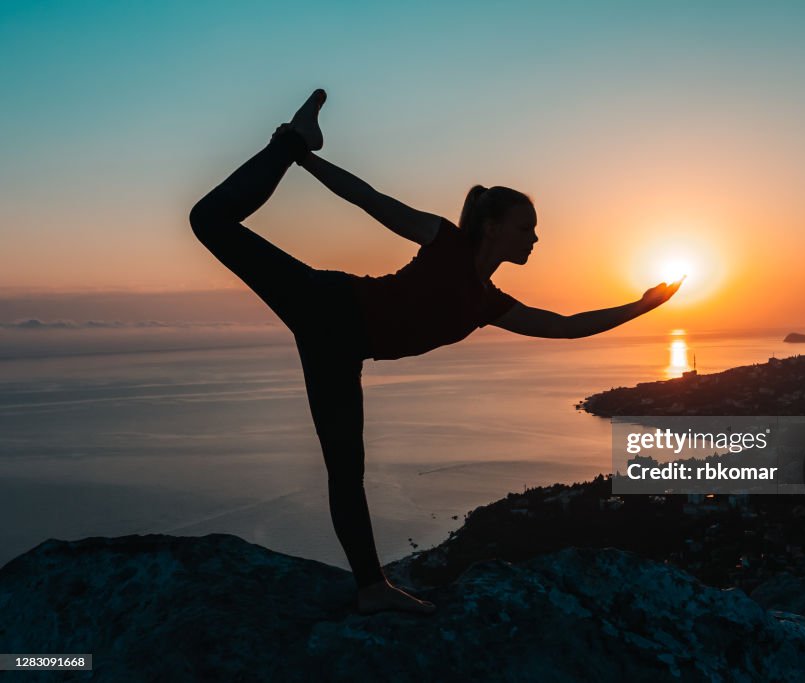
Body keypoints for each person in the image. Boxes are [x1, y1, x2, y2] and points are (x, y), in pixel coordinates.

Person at [189, 89, 681, 615]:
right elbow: (367, 198)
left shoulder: (487, 303)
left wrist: (642, 306)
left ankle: (372, 588)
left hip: (336, 348)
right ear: (493, 226)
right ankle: (292, 139)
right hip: (327, 303)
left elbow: (566, 327)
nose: (535, 239)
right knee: (209, 220)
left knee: (345, 469)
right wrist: (304, 157)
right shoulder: (443, 239)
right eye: (526, 228)